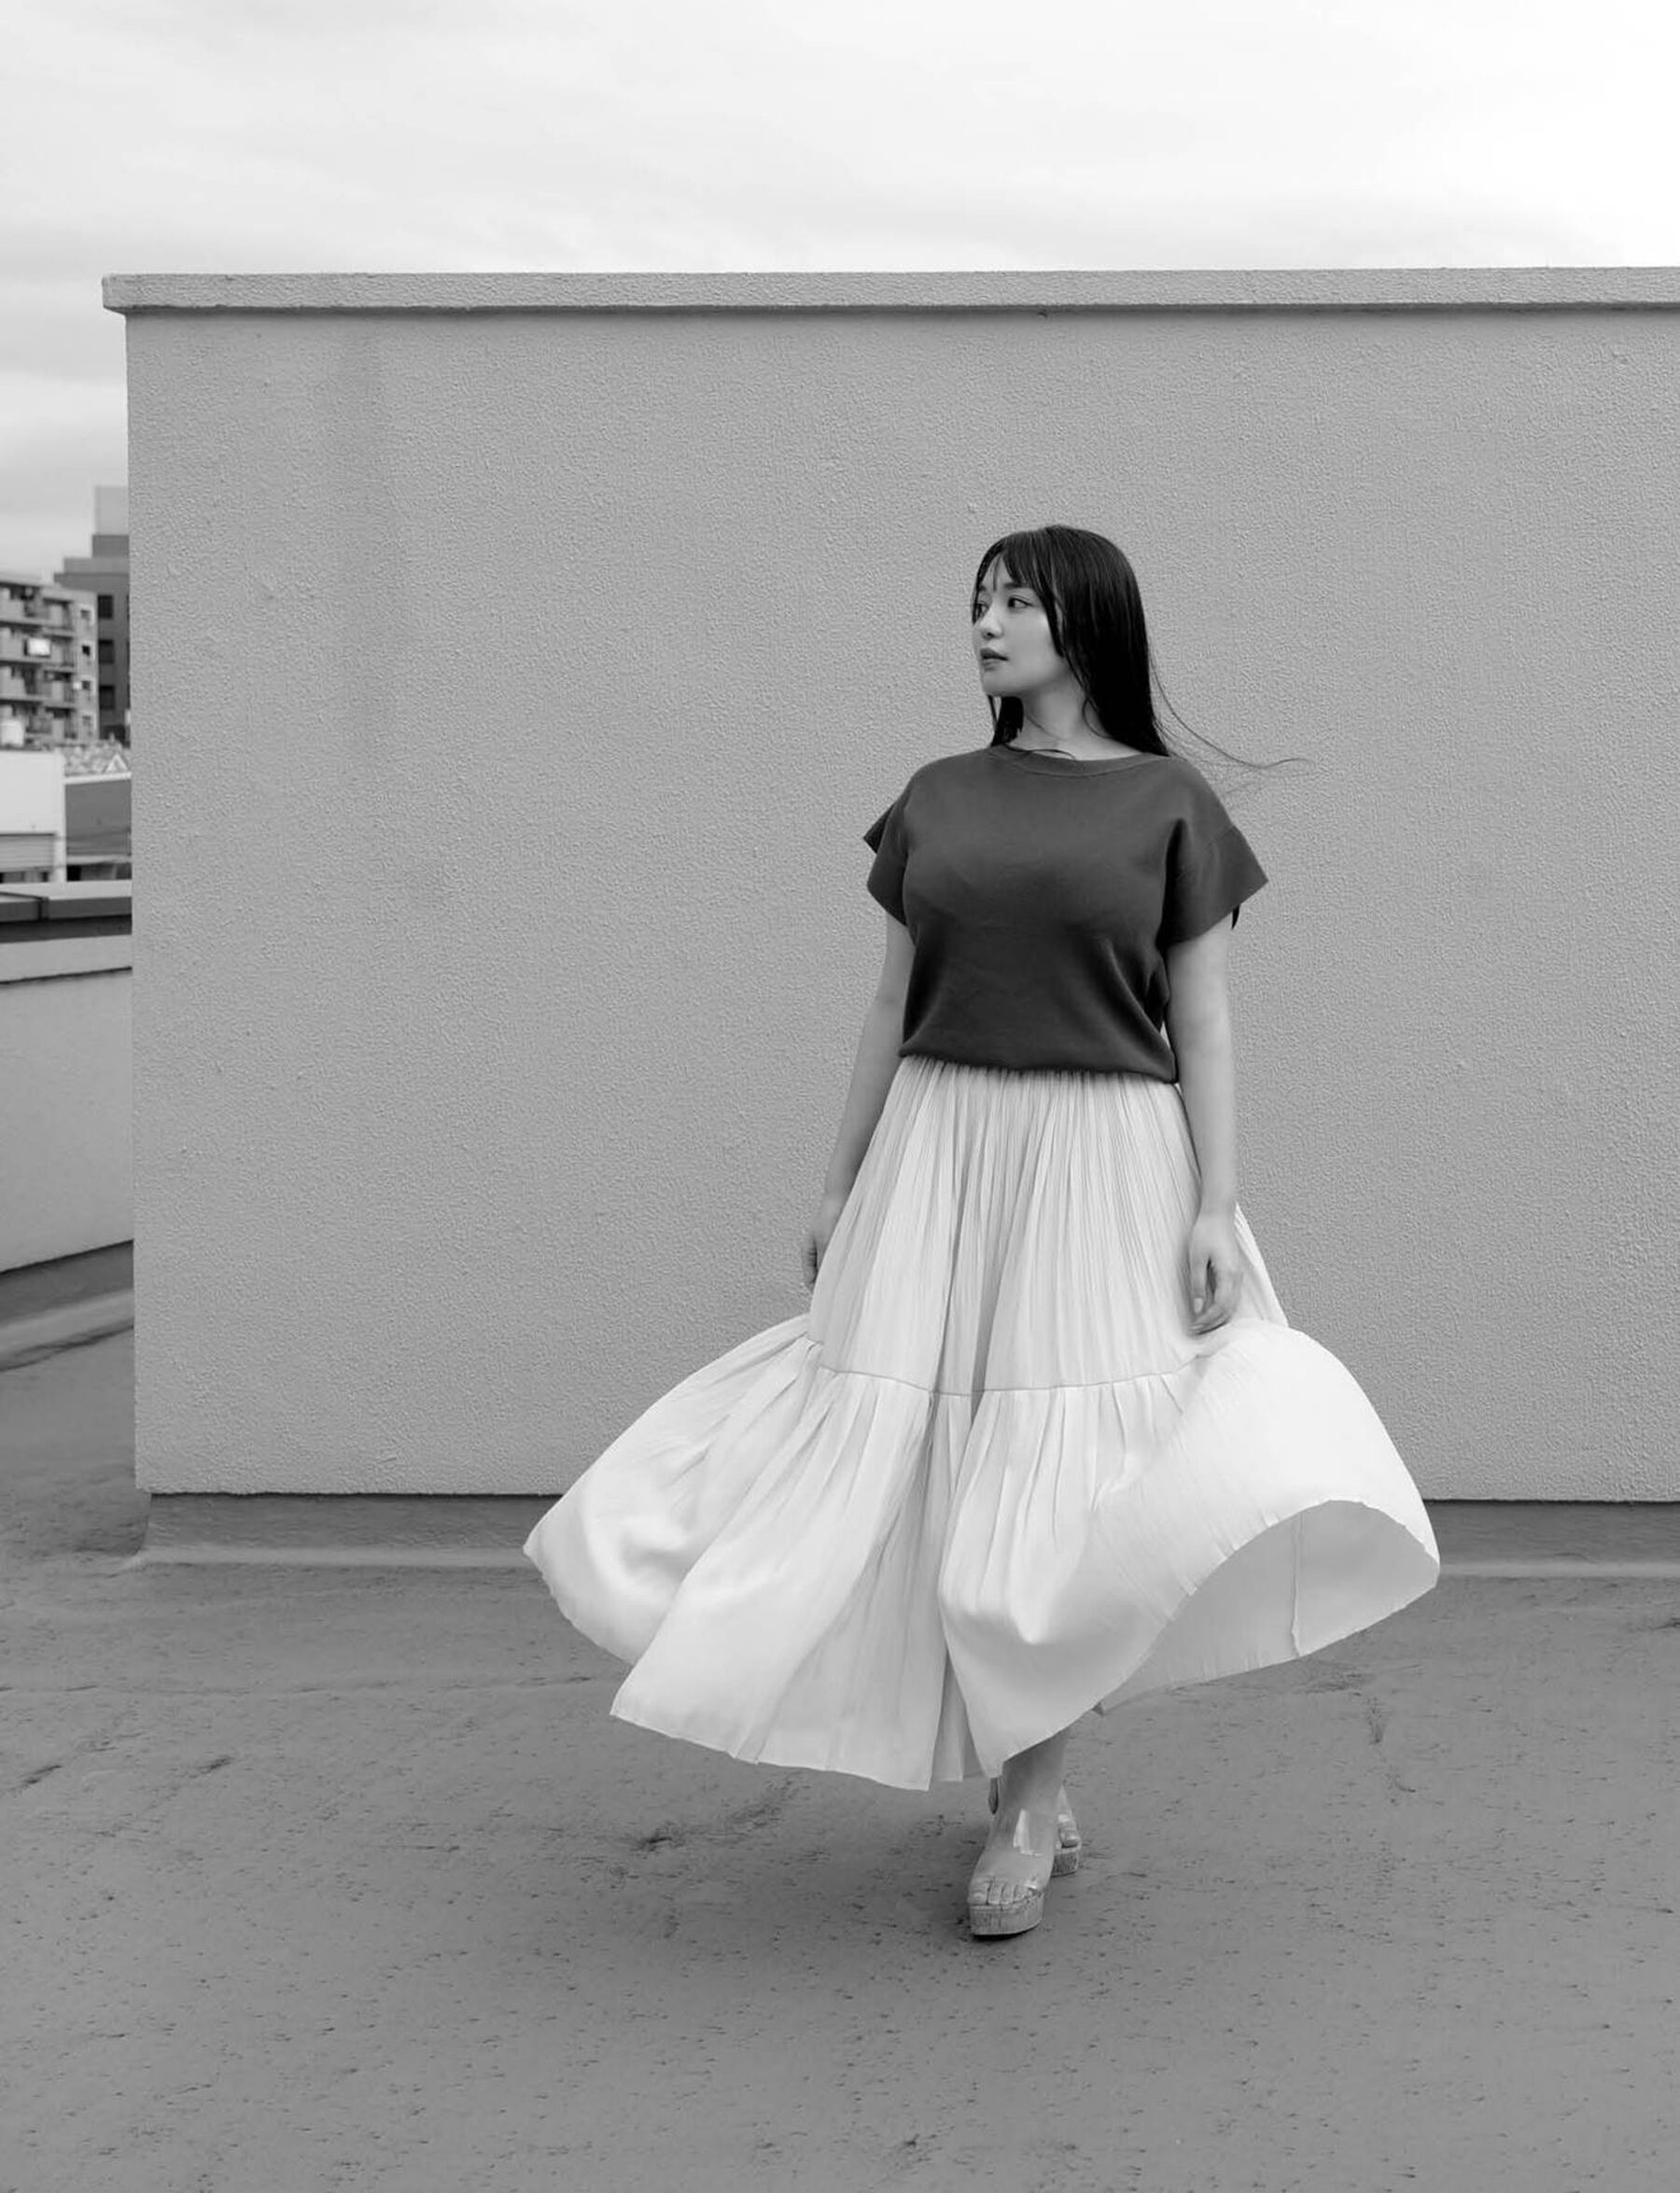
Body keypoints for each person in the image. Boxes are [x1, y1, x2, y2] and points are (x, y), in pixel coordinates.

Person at [524, 523, 1439, 1941]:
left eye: (1017, 601)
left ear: (1089, 622)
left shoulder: (1170, 805)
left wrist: (1215, 1203)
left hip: (1104, 1159)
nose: (988, 624)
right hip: (939, 1150)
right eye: (978, 602)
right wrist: (839, 1184)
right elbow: (889, 1006)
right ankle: (1010, 1764)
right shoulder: (935, 800)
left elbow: (1203, 1024)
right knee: (927, 1463)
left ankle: (1028, 1798)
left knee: (1055, 1476)